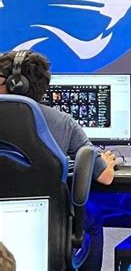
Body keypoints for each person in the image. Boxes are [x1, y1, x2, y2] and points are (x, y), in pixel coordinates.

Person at [0, 51, 117, 270]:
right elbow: (106, 177)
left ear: (16, 84)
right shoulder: (63, 122)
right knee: (92, 219)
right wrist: (106, 163)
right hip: (43, 218)